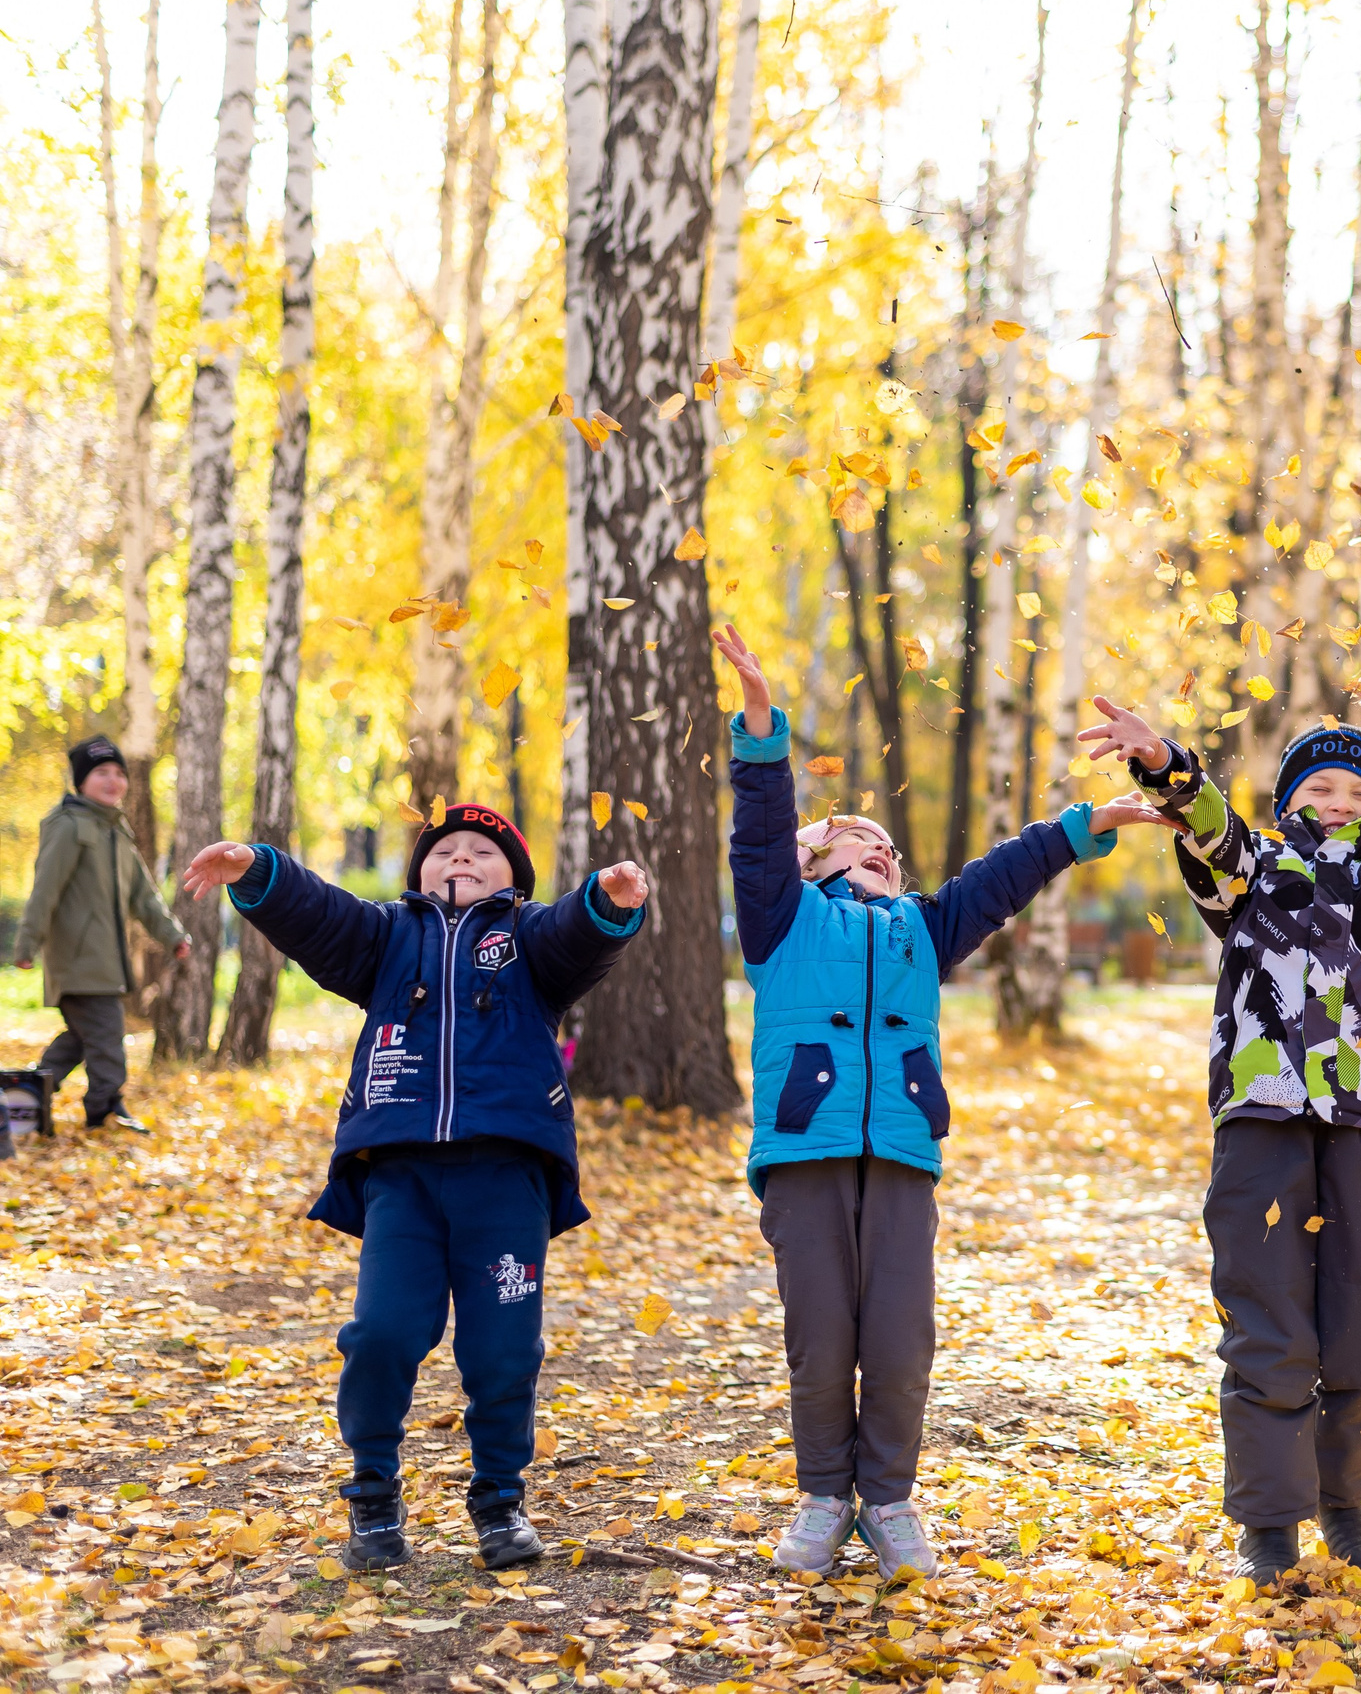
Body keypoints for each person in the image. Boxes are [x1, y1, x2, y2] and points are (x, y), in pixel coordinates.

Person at [1079, 568, 1361, 1588]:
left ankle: (1345, 1499)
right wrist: (1163, 762)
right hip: (1263, 1118)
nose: (1336, 797)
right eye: (1316, 785)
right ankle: (1270, 1519)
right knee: (1267, 1317)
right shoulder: (1249, 871)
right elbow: (1202, 822)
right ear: (1286, 803)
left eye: (1354, 786)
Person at [713, 625, 1173, 1581]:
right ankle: (822, 1495)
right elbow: (757, 837)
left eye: (886, 844)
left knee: (899, 1337)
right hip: (805, 1150)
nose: (878, 847)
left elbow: (1002, 878)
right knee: (820, 1334)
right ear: (817, 862)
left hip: (904, 1154)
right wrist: (762, 733)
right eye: (853, 838)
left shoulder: (925, 928)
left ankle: (886, 1498)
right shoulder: (783, 922)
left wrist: (1092, 826)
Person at [180, 804, 650, 1573]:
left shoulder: (528, 940)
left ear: (515, 880)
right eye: (444, 852)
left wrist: (607, 899)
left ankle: (499, 1500)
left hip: (506, 1176)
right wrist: (260, 870)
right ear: (420, 874)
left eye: (482, 853)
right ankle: (372, 1494)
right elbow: (320, 915)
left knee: (502, 1350)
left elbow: (576, 933)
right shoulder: (388, 936)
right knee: (381, 1335)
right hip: (401, 1175)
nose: (461, 860)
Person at [12, 735, 190, 1134]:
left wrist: (172, 935)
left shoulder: (117, 832)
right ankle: (104, 1109)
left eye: (119, 773)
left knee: (79, 1039)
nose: (113, 781)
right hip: (78, 960)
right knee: (108, 1036)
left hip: (104, 961)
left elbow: (144, 896)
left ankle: (22, 1097)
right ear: (81, 781)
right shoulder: (69, 825)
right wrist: (27, 944)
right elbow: (46, 889)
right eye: (101, 773)